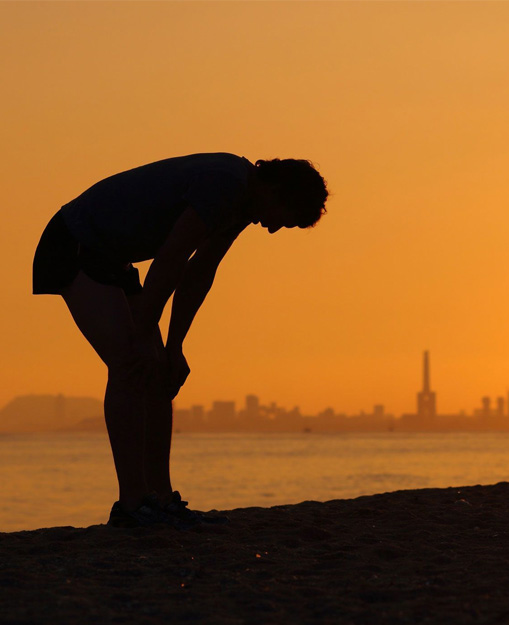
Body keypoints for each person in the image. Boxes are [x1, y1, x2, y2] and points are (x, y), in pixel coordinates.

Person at [32, 153, 328, 528]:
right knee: (130, 364)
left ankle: (158, 497)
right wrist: (143, 333)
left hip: (113, 258)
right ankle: (131, 504)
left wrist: (174, 347)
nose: (271, 230)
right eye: (281, 219)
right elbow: (172, 257)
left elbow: (199, 272)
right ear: (276, 189)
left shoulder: (242, 205)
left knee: (158, 371)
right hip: (74, 242)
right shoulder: (227, 184)